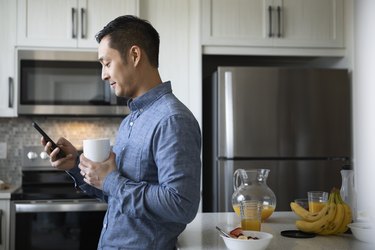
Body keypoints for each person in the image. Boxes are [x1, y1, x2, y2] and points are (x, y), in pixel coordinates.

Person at [42, 15, 201, 250]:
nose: (103, 75)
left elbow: (181, 205)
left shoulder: (172, 120)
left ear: (134, 55)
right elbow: (115, 193)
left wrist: (112, 181)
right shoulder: (131, 121)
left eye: (107, 63)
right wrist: (75, 164)